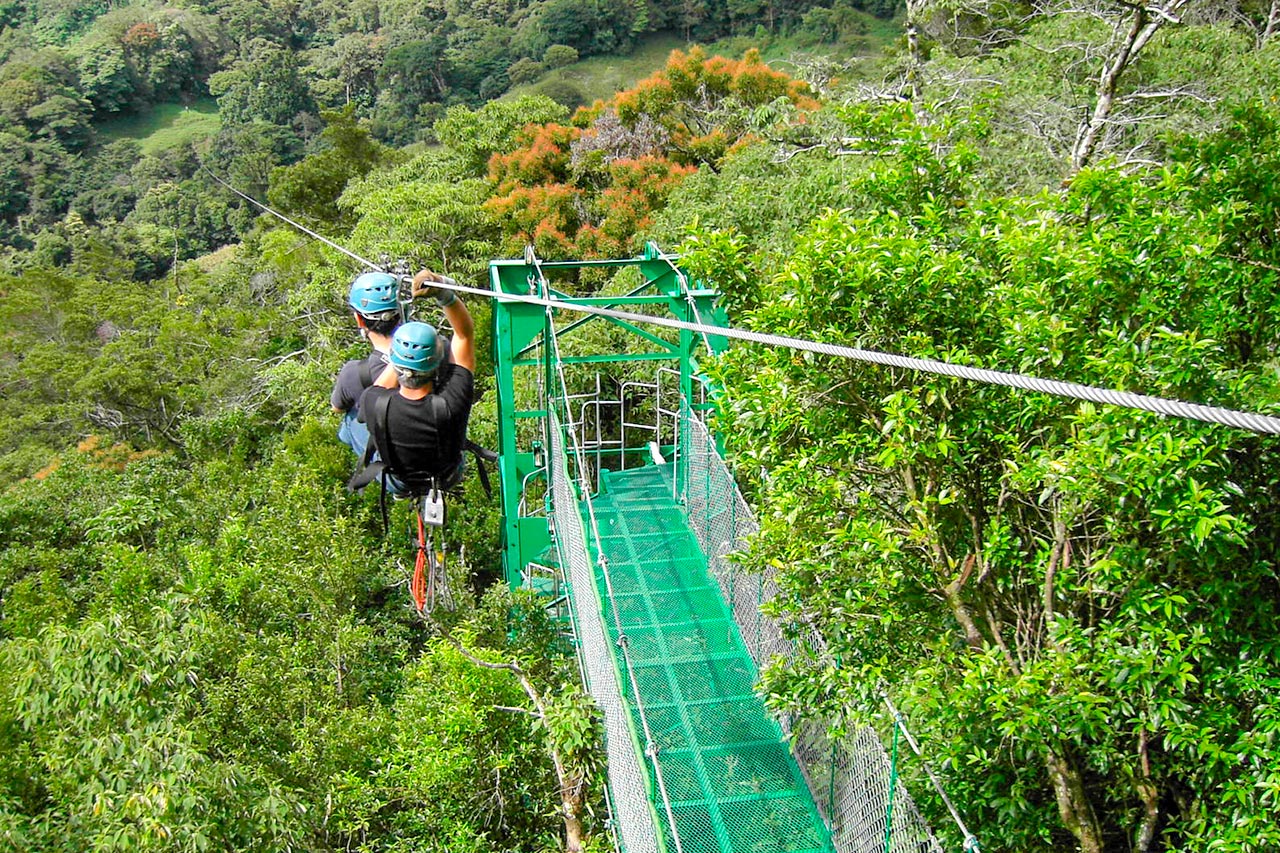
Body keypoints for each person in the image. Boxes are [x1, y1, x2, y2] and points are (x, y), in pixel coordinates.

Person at [357, 270, 475, 496]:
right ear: (437, 361)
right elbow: (464, 336)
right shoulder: (453, 401)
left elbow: (380, 386)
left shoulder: (373, 403)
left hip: (400, 480)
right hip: (447, 475)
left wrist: (402, 351)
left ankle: (401, 494)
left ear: (393, 359)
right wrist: (444, 295)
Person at [331, 271, 451, 458]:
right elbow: (463, 335)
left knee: (349, 420)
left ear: (359, 320)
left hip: (398, 467)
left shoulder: (354, 372)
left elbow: (336, 407)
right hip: (443, 457)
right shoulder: (439, 347)